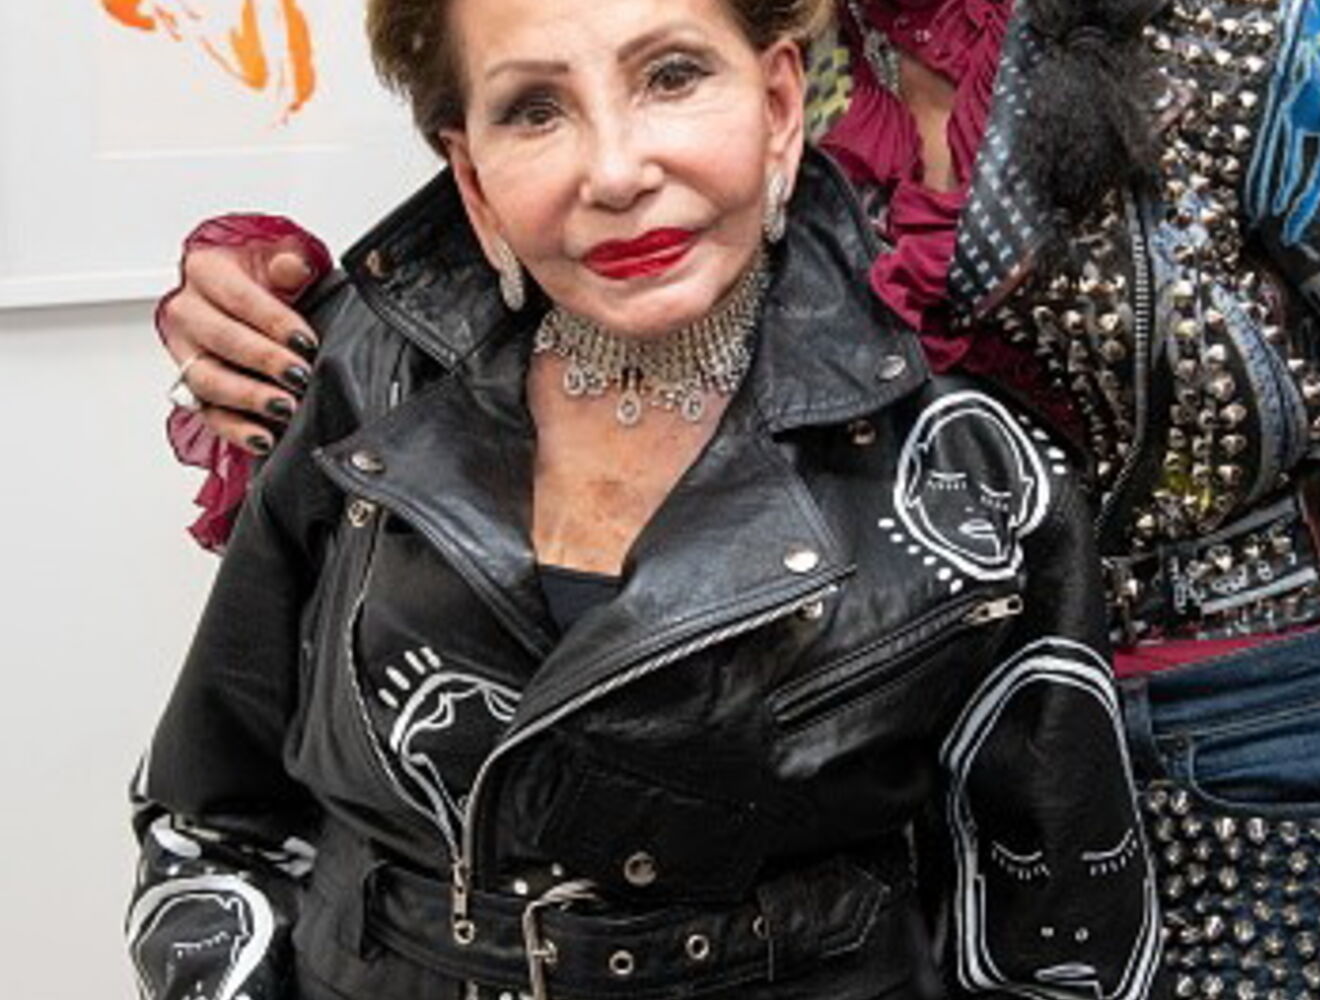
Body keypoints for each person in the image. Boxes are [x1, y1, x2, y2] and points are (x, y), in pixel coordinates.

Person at [129, 0, 1162, 998]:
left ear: (779, 103)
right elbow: (210, 825)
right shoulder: (363, 380)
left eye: (672, 76)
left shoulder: (963, 468)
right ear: (473, 177)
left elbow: (1064, 943)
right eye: (534, 109)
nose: (617, 171)